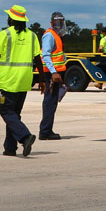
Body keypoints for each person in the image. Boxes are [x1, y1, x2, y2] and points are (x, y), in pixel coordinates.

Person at [0, 5, 41, 157]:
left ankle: (25, 137)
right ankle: (10, 148)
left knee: (5, 111)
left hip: (9, 80)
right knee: (14, 114)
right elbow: (38, 58)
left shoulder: (5, 34)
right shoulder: (32, 35)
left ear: (11, 18)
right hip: (25, 80)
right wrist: (42, 79)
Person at [38, 11, 67, 140]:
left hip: (56, 73)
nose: (59, 25)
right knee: (49, 102)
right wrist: (54, 72)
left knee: (52, 102)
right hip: (51, 74)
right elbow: (46, 55)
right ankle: (45, 131)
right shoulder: (49, 36)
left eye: (61, 23)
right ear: (51, 23)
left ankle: (47, 129)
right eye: (57, 23)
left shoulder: (56, 36)